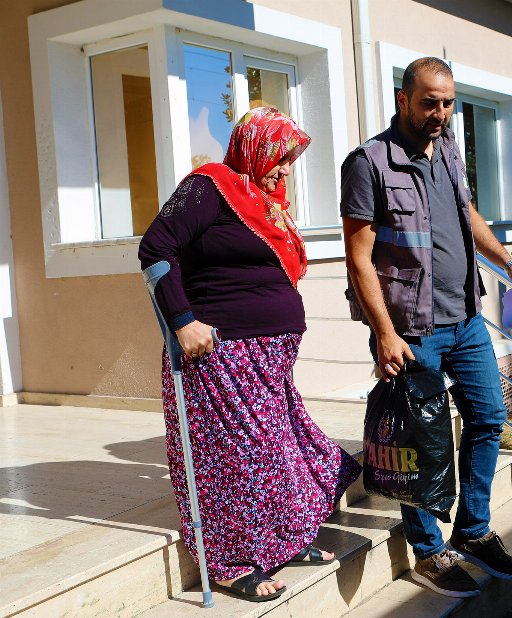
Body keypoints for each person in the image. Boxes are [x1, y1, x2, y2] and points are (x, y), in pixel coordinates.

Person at [139, 107, 361, 603]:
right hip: (220, 353)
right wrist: (182, 321)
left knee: (281, 453)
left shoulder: (263, 202)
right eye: (280, 157)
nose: (286, 170)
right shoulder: (210, 186)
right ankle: (230, 562)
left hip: (268, 358)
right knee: (235, 462)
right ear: (254, 145)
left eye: (291, 160)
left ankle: (284, 541)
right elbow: (156, 248)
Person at [340, 57, 512, 598]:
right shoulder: (369, 163)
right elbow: (358, 259)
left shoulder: (447, 148)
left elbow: (467, 213)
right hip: (410, 327)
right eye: (430, 102)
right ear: (403, 99)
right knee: (419, 439)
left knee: (489, 416)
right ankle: (428, 549)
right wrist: (383, 333)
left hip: (465, 316)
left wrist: (506, 260)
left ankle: (472, 530)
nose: (440, 113)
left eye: (448, 103)